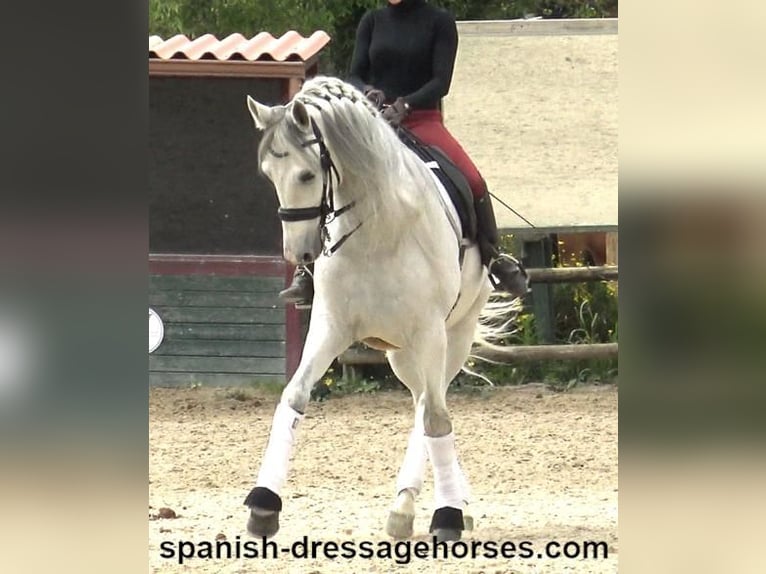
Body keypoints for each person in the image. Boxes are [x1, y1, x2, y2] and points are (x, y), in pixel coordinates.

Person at [279, 0, 528, 305]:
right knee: (331, 174)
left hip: (422, 119)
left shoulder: (439, 22)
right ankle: (309, 269)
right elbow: (355, 74)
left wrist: (406, 104)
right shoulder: (372, 20)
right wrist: (367, 91)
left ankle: (493, 257)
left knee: (473, 179)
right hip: (373, 121)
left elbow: (441, 82)